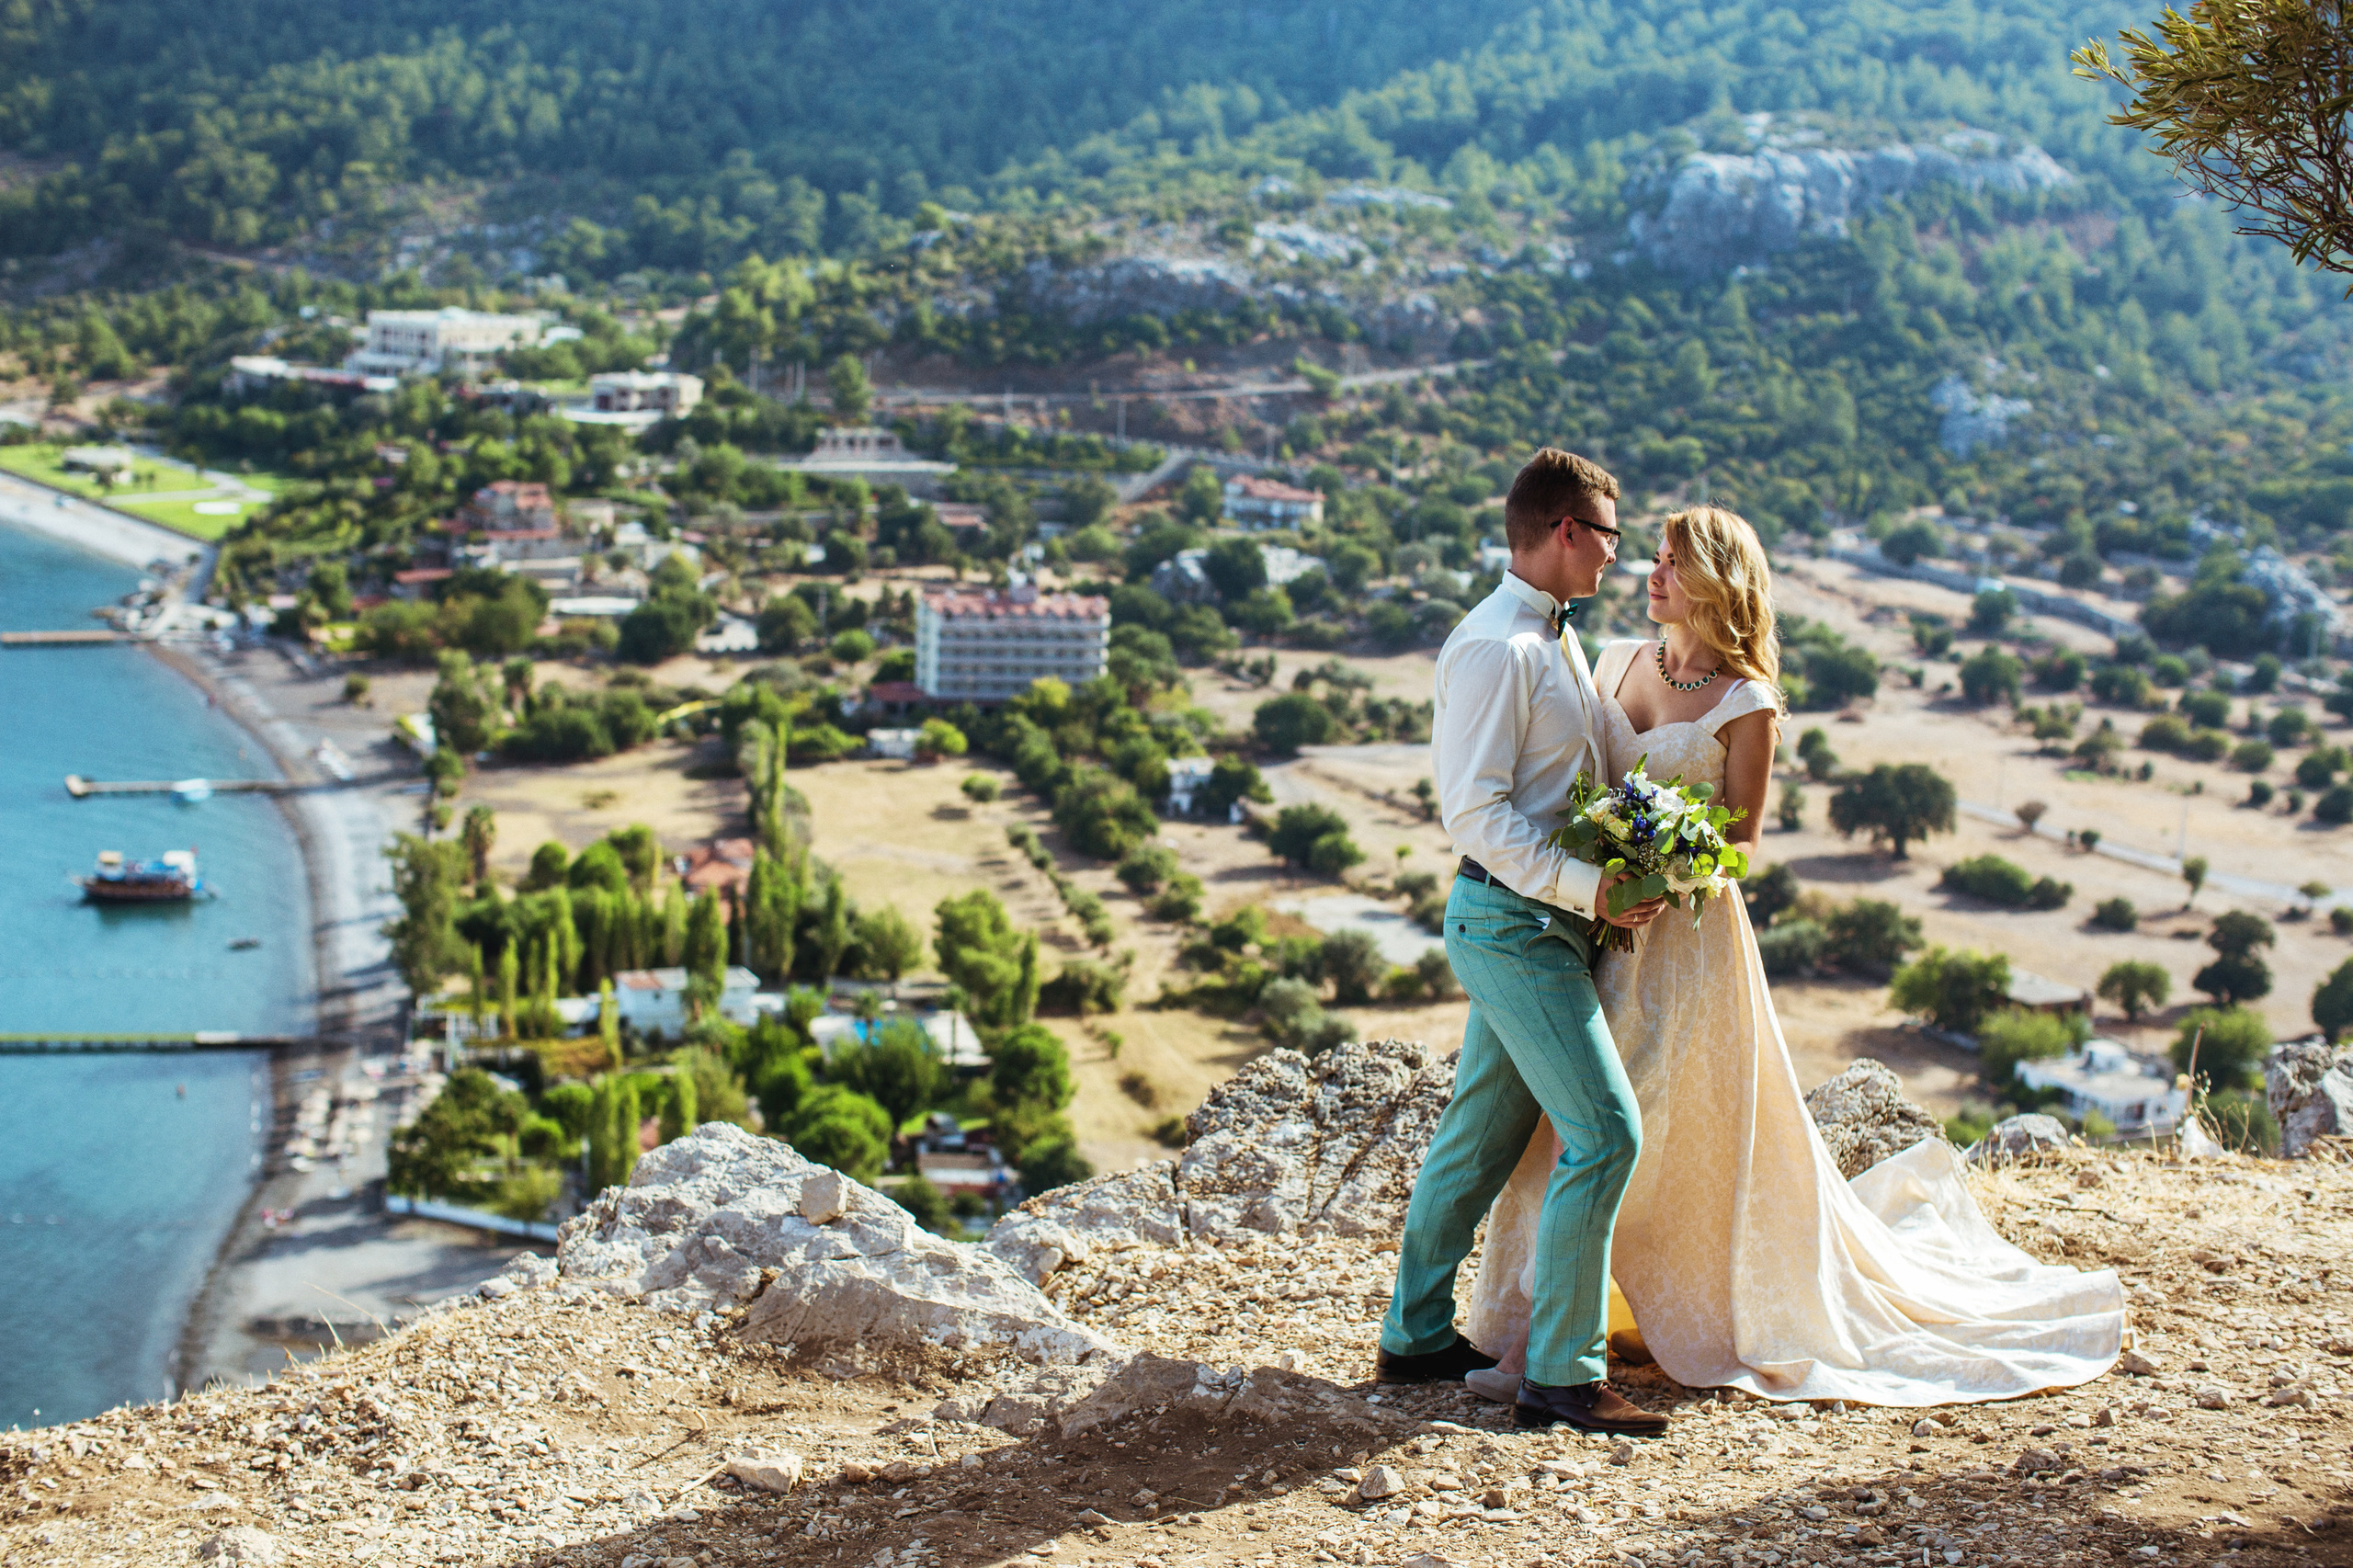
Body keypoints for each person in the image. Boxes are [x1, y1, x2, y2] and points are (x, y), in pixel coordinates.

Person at [1461, 505, 2125, 1406]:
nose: (1650, 574)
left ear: (1715, 581)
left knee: (1653, 1115)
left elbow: (1740, 838)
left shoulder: (1747, 702)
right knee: (1569, 1120)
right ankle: (1545, 1326)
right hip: (1600, 928)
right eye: (1651, 557)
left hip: (1690, 942)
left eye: (1669, 562)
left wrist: (1668, 853)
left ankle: (1619, 1321)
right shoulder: (1615, 657)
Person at [1373, 448, 1674, 1437]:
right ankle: (1562, 1375)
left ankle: (1415, 1339)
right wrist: (1593, 884)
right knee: (1606, 1132)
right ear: (1565, 532)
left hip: (1539, 921)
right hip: (1512, 923)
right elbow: (1475, 814)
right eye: (1610, 540)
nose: (1616, 561)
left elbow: (1580, 776)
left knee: (1481, 1132)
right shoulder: (1496, 646)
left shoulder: (1557, 640)